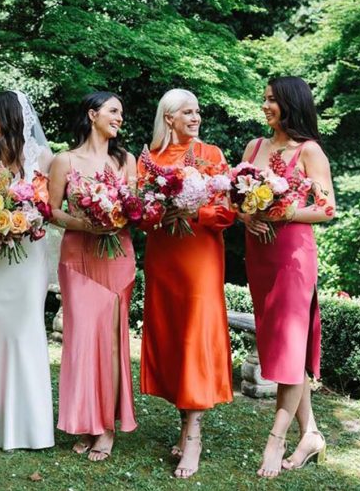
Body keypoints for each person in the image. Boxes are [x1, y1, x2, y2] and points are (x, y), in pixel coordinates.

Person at [239, 76, 336, 478]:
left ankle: (275, 440)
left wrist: (286, 212)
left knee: (291, 349)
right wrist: (247, 216)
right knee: (277, 345)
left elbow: (327, 209)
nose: (265, 107)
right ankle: (310, 433)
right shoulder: (254, 147)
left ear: (291, 105)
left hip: (294, 255)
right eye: (263, 99)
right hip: (259, 255)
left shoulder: (310, 151)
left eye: (272, 101)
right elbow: (236, 199)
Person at [138, 89, 235, 478]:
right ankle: (184, 424)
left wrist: (195, 210)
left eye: (197, 112)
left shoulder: (212, 155)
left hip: (199, 257)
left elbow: (227, 210)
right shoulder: (150, 160)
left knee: (195, 335)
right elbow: (139, 215)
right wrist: (161, 212)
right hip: (164, 257)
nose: (195, 118)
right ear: (169, 118)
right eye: (187, 112)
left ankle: (193, 436)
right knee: (175, 338)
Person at [47, 90, 138, 462]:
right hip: (78, 256)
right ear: (93, 114)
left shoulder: (126, 160)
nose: (120, 118)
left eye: (121, 112)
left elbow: (135, 207)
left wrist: (116, 217)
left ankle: (105, 428)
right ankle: (85, 421)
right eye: (114, 111)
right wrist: (85, 222)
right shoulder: (64, 160)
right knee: (82, 339)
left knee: (112, 341)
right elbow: (52, 210)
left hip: (118, 256)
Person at [0, 90, 55, 450]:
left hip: (28, 257)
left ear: (14, 117)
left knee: (27, 330)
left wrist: (24, 220)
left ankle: (33, 426)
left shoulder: (43, 158)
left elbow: (46, 207)